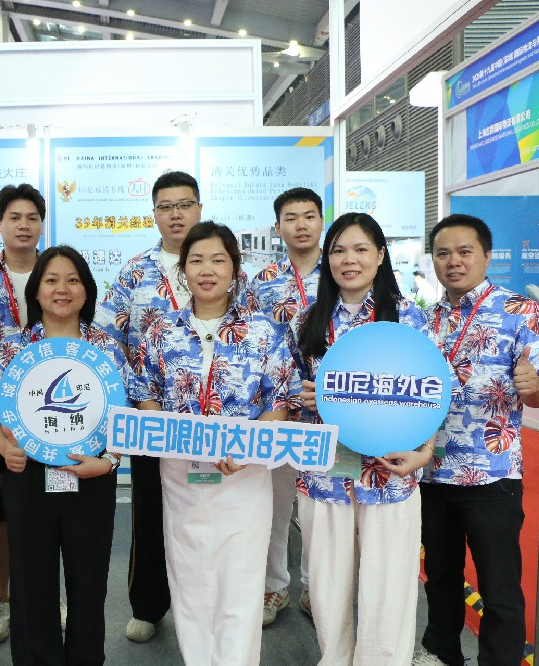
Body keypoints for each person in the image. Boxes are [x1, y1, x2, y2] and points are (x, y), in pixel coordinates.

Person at [131, 222, 299, 664]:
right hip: (180, 473)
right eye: (197, 260)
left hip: (244, 474)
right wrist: (172, 437)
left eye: (218, 260)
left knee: (239, 583)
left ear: (234, 268)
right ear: (183, 269)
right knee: (190, 581)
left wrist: (248, 449)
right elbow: (145, 390)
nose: (207, 270)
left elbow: (278, 399)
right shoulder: (161, 330)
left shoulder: (265, 331)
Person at [290, 212, 435, 665]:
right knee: (327, 584)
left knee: (388, 584)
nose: (348, 260)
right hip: (325, 470)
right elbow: (286, 387)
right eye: (338, 251)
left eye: (360, 249)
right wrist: (302, 396)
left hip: (389, 471)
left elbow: (434, 391)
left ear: (380, 255)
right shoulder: (309, 320)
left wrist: (426, 453)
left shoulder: (410, 318)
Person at [413, 214, 539, 666]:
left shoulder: (521, 311)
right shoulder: (423, 321)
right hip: (431, 472)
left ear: (487, 256)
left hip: (491, 475)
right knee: (439, 576)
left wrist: (534, 384)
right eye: (443, 253)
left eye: (464, 251)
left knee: (499, 586)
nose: (453, 261)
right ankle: (441, 653)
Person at [0, 245, 130, 664]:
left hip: (92, 475)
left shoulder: (107, 348)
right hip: (27, 476)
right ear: (36, 291)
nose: (62, 289)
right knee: (31, 584)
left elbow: (126, 419)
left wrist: (110, 461)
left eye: (72, 280)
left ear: (87, 290)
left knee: (89, 584)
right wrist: (3, 447)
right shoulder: (12, 347)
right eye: (51, 280)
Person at [94, 170, 203, 642]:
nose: (176, 214)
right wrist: (134, 396)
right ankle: (149, 605)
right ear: (154, 213)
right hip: (150, 416)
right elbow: (105, 336)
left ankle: (207, 604)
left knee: (211, 510)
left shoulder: (223, 263)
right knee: (150, 510)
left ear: (199, 208)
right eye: (166, 206)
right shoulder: (135, 272)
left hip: (214, 419)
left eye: (184, 204)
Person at [0, 183, 46, 643]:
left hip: (51, 412)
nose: (23, 225)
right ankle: (1, 599)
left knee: (51, 514)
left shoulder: (57, 273)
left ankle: (43, 597)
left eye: (32, 217)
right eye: (14, 217)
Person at [249, 186, 324, 625]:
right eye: (291, 218)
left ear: (321, 222)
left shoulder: (341, 272)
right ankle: (272, 587)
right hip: (276, 408)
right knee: (274, 506)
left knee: (321, 506)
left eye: (309, 216)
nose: (300, 225)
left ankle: (316, 586)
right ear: (277, 227)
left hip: (329, 410)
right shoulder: (261, 281)